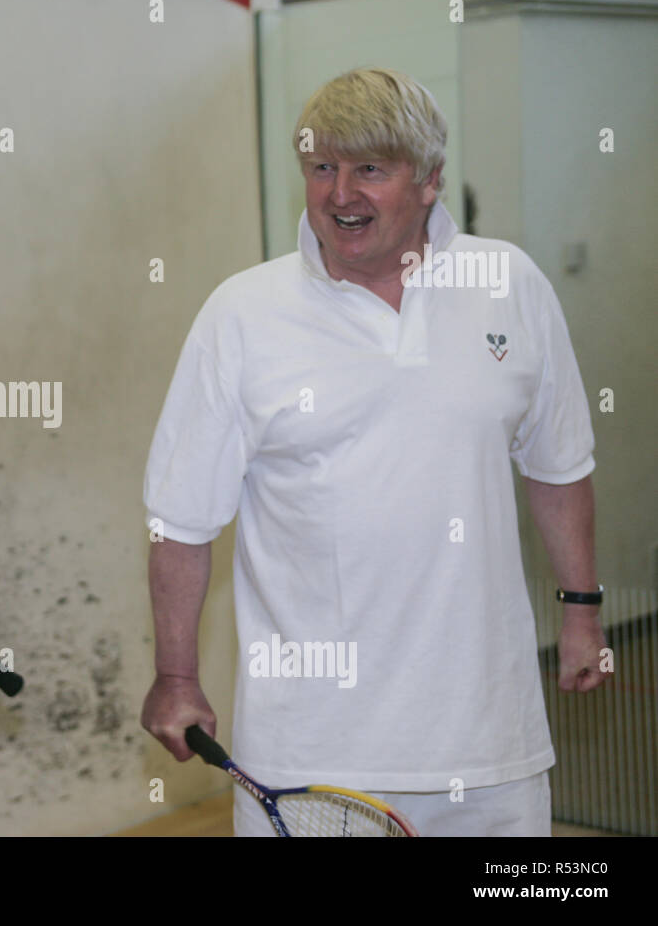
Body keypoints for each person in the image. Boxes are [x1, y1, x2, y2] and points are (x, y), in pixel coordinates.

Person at [140, 67, 608, 836]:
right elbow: (180, 522)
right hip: (309, 756)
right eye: (322, 167)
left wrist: (583, 613)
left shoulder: (510, 284)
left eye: (370, 170)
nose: (340, 194)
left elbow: (558, 466)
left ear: (429, 182)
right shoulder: (242, 315)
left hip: (491, 746)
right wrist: (177, 676)